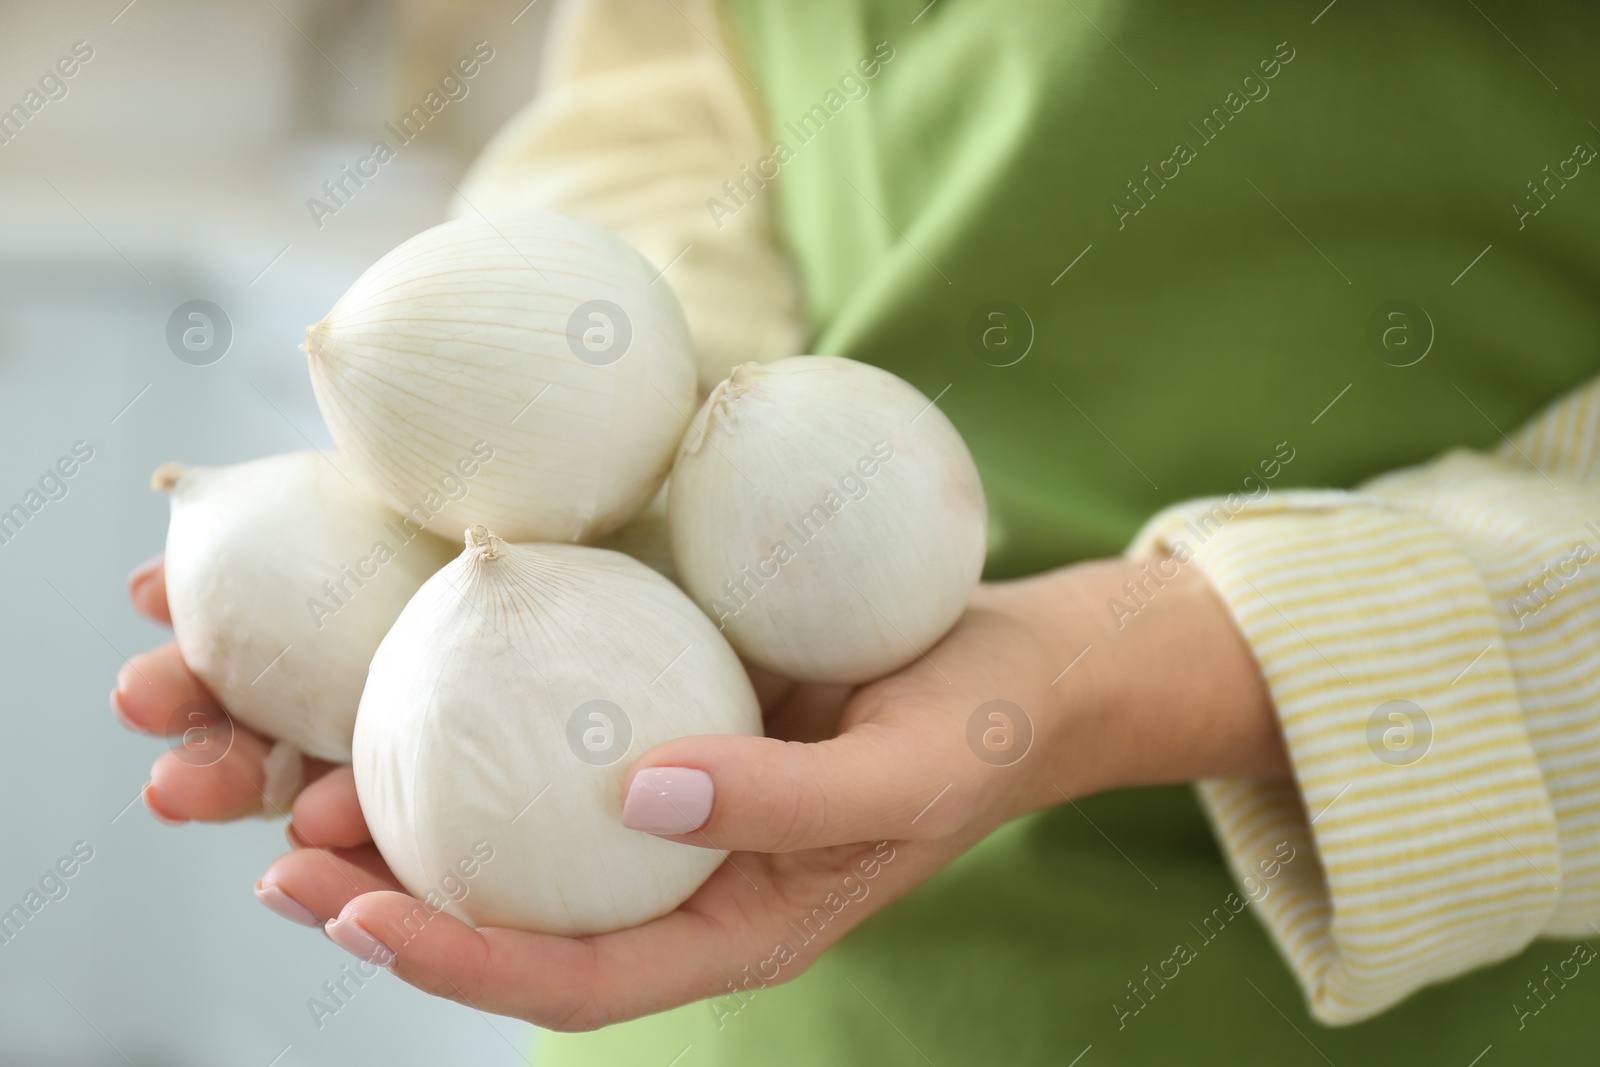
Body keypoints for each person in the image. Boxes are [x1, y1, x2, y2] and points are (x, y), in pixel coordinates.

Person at [114, 0, 1600, 1062]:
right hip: (714, 930)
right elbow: (658, 98)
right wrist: (619, 430)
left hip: (1411, 946)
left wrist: (1161, 661)